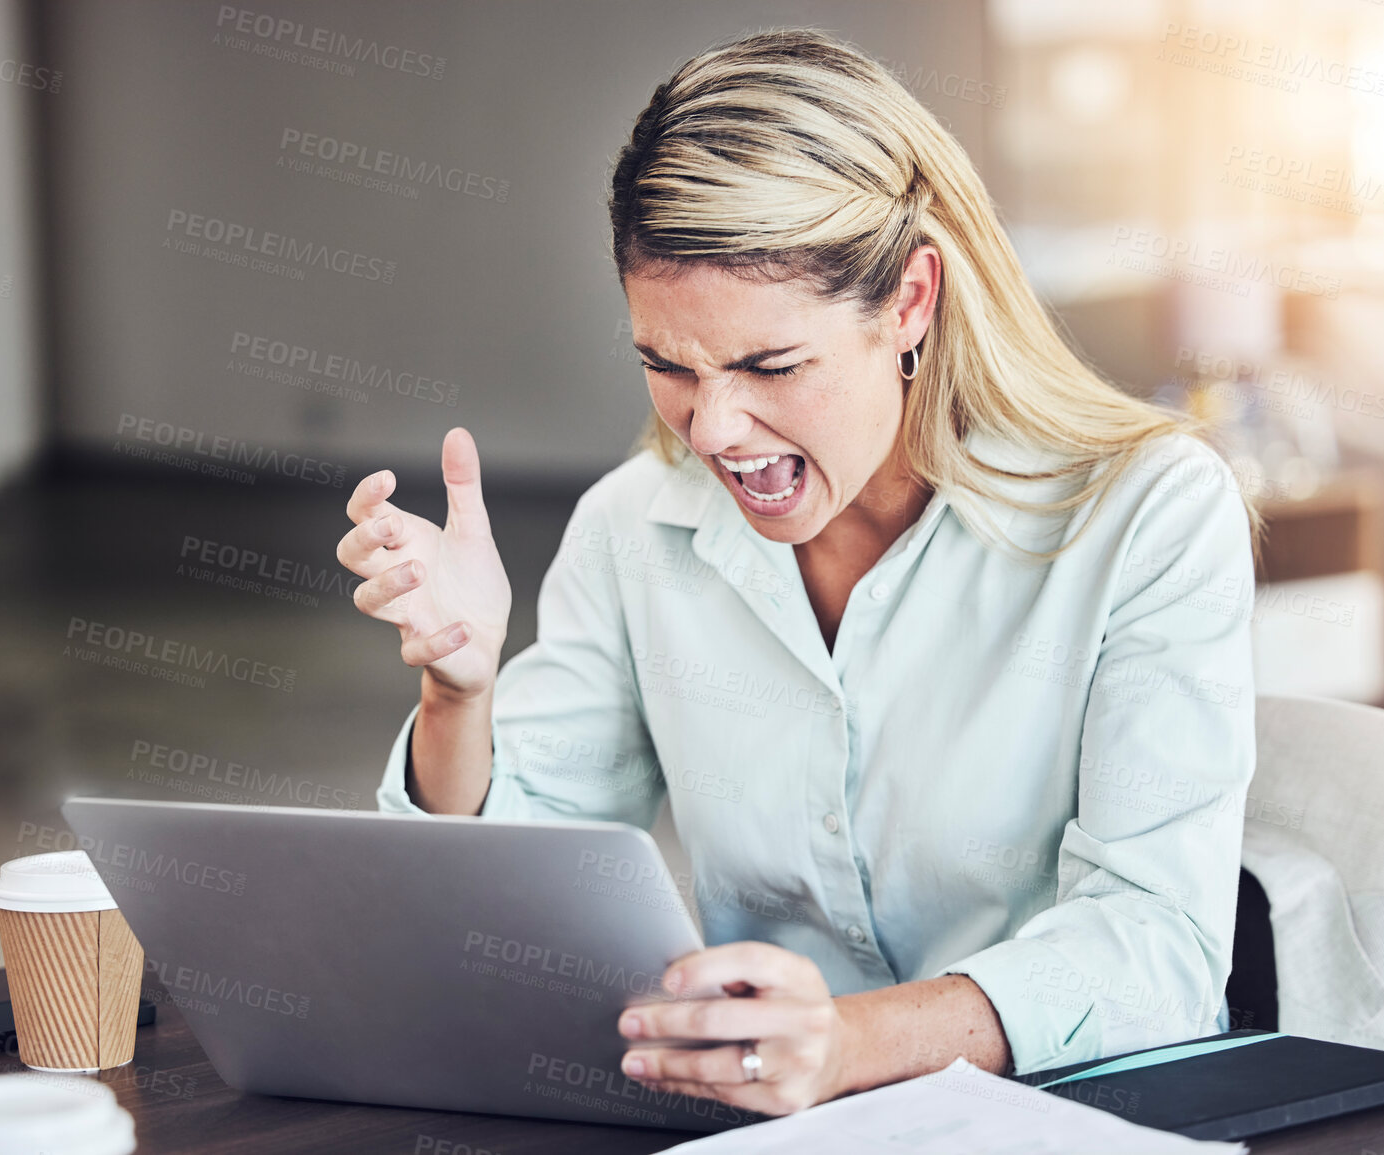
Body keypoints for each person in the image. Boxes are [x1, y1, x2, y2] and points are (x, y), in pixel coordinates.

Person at [336, 28, 1256, 1118]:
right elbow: (506, 915)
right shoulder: (637, 526)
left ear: (910, 302)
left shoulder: (1147, 515)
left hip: (1059, 1120)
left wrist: (846, 1043)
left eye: (771, 365)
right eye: (668, 365)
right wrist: (459, 692)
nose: (715, 427)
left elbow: (1160, 947)